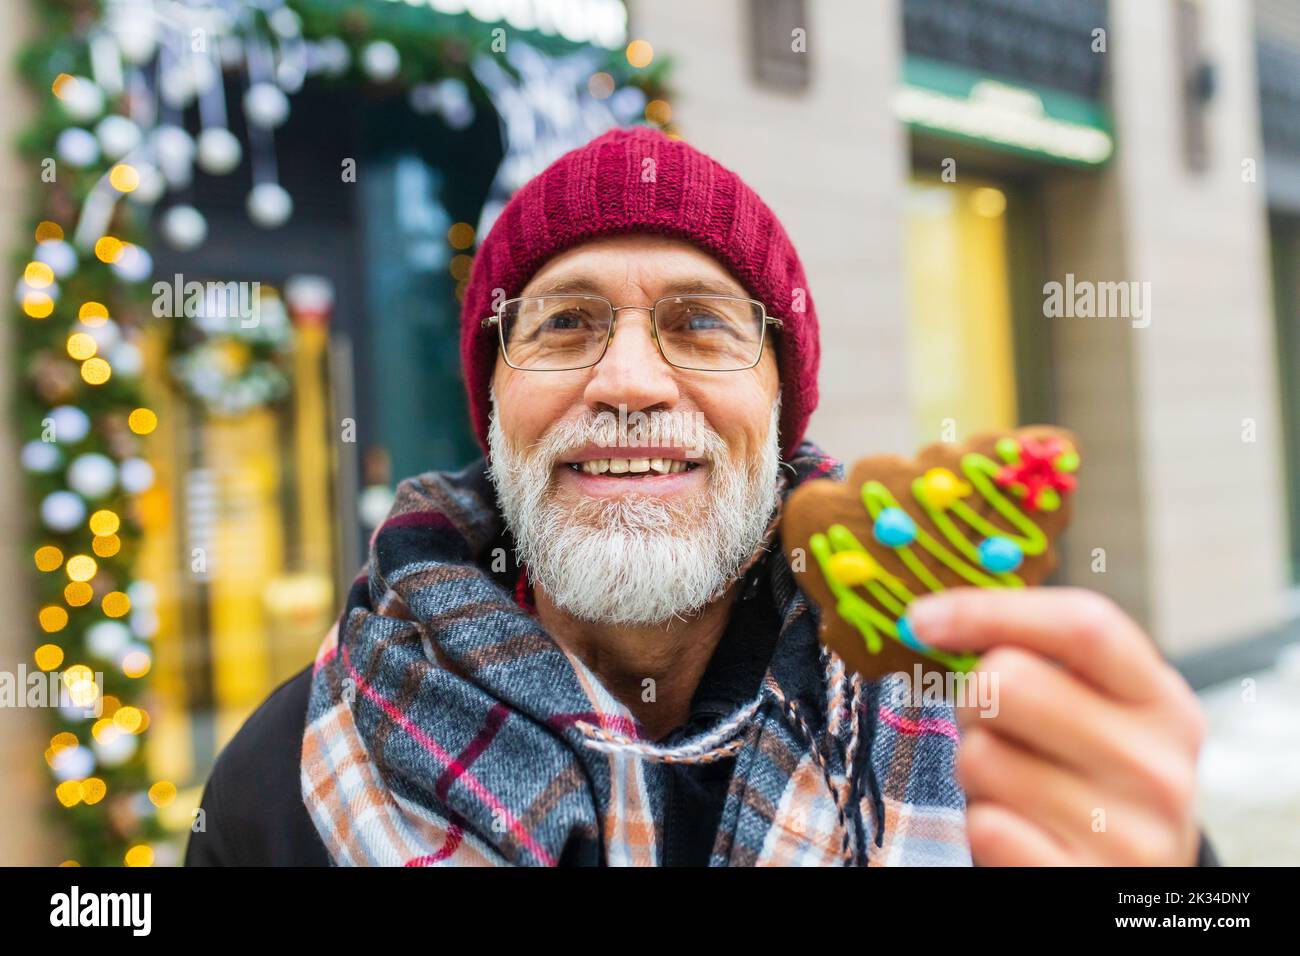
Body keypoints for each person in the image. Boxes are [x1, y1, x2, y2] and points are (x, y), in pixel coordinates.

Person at [186, 126, 1217, 867]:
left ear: (780, 411)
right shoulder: (283, 779)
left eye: (699, 324)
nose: (629, 382)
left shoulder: (993, 736)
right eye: (564, 325)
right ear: (493, 403)